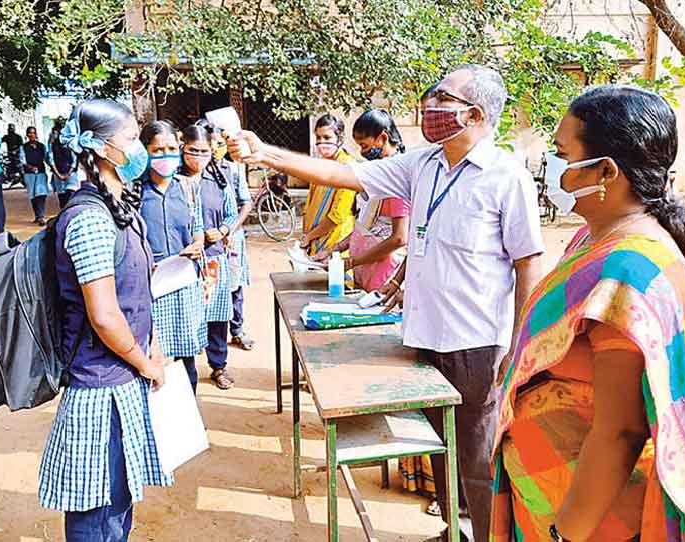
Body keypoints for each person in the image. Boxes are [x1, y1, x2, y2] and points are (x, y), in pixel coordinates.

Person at [227, 64, 545, 542]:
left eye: (443, 98)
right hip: (422, 336)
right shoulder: (423, 164)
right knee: (442, 448)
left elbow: (528, 265)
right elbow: (343, 172)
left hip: (478, 344)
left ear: (475, 113)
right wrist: (268, 155)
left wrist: (519, 345)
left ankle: (487, 536)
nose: (430, 105)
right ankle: (453, 530)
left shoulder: (506, 178)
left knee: (477, 459)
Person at [492, 86, 685, 542]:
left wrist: (566, 533)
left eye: (561, 153)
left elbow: (621, 430)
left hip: (590, 519)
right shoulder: (593, 240)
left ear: (607, 171)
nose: (553, 167)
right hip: (548, 490)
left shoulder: (629, 269)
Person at [38, 99, 172, 542]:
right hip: (100, 387)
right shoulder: (90, 220)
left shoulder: (118, 207)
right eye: (132, 140)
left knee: (118, 503)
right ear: (99, 148)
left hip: (121, 378)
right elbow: (104, 314)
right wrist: (145, 362)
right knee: (97, 515)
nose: (141, 150)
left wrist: (148, 348)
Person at [138, 120, 208, 393]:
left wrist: (198, 243)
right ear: (145, 152)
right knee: (152, 357)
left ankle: (187, 415)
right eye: (157, 150)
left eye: (170, 148)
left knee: (186, 357)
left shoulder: (188, 188)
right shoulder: (134, 192)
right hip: (150, 287)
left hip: (184, 284)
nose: (165, 155)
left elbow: (198, 228)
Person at [315, 109, 410, 293]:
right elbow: (365, 227)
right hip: (366, 272)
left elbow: (399, 238)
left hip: (385, 275)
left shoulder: (397, 178)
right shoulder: (378, 173)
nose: (362, 152)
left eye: (365, 146)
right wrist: (335, 250)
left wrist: (351, 262)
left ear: (383, 138)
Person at [184, 123, 238, 390]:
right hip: (183, 263)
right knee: (188, 316)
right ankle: (186, 370)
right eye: (193, 151)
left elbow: (232, 213)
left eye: (205, 151)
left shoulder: (218, 181)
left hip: (214, 259)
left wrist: (224, 230)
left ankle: (218, 366)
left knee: (217, 317)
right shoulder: (174, 182)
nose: (199, 157)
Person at [208, 127, 256, 351]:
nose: (216, 148)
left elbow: (246, 202)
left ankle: (237, 330)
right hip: (207, 240)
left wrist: (230, 229)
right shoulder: (194, 172)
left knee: (234, 286)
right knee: (209, 288)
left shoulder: (234, 169)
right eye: (212, 143)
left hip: (232, 238)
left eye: (220, 143)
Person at [301, 114, 357, 257]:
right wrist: (306, 235)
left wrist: (309, 237)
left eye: (327, 138)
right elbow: (308, 206)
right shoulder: (320, 166)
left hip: (336, 243)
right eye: (318, 138)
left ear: (340, 138)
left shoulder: (347, 167)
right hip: (315, 243)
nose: (321, 142)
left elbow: (337, 215)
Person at [20, 126, 51, 225]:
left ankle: (41, 216)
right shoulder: (23, 147)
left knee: (41, 194)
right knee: (33, 195)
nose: (31, 135)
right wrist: (30, 167)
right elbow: (22, 160)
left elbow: (47, 158)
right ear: (27, 135)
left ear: (36, 134)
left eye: (33, 133)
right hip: (29, 174)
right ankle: (37, 215)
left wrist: (53, 167)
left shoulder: (42, 146)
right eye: (29, 133)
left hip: (41, 172)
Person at [49, 118, 80, 208]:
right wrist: (58, 174)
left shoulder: (71, 143)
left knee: (71, 195)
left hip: (71, 174)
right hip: (58, 174)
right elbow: (51, 160)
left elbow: (74, 160)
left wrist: (68, 173)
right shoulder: (52, 145)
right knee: (62, 198)